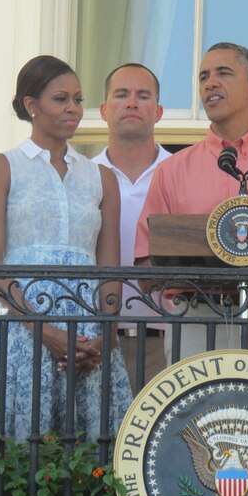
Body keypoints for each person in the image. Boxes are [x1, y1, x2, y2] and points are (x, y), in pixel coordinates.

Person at [0, 55, 131, 455]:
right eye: (61, 98)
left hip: (87, 331)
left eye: (78, 99)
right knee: (8, 454)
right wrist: (45, 331)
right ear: (31, 105)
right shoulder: (0, 166)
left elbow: (110, 265)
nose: (73, 109)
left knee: (88, 461)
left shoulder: (101, 177)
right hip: (16, 322)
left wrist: (104, 338)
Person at [134, 42, 248, 366]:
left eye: (223, 73)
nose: (209, 83)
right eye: (203, 76)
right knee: (194, 416)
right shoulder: (172, 170)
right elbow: (145, 265)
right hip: (194, 317)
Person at [92, 63, 171, 394]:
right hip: (94, 341)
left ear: (159, 111)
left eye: (143, 95)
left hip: (168, 341)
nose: (132, 103)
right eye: (121, 94)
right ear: (104, 110)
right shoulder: (83, 176)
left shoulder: (182, 174)